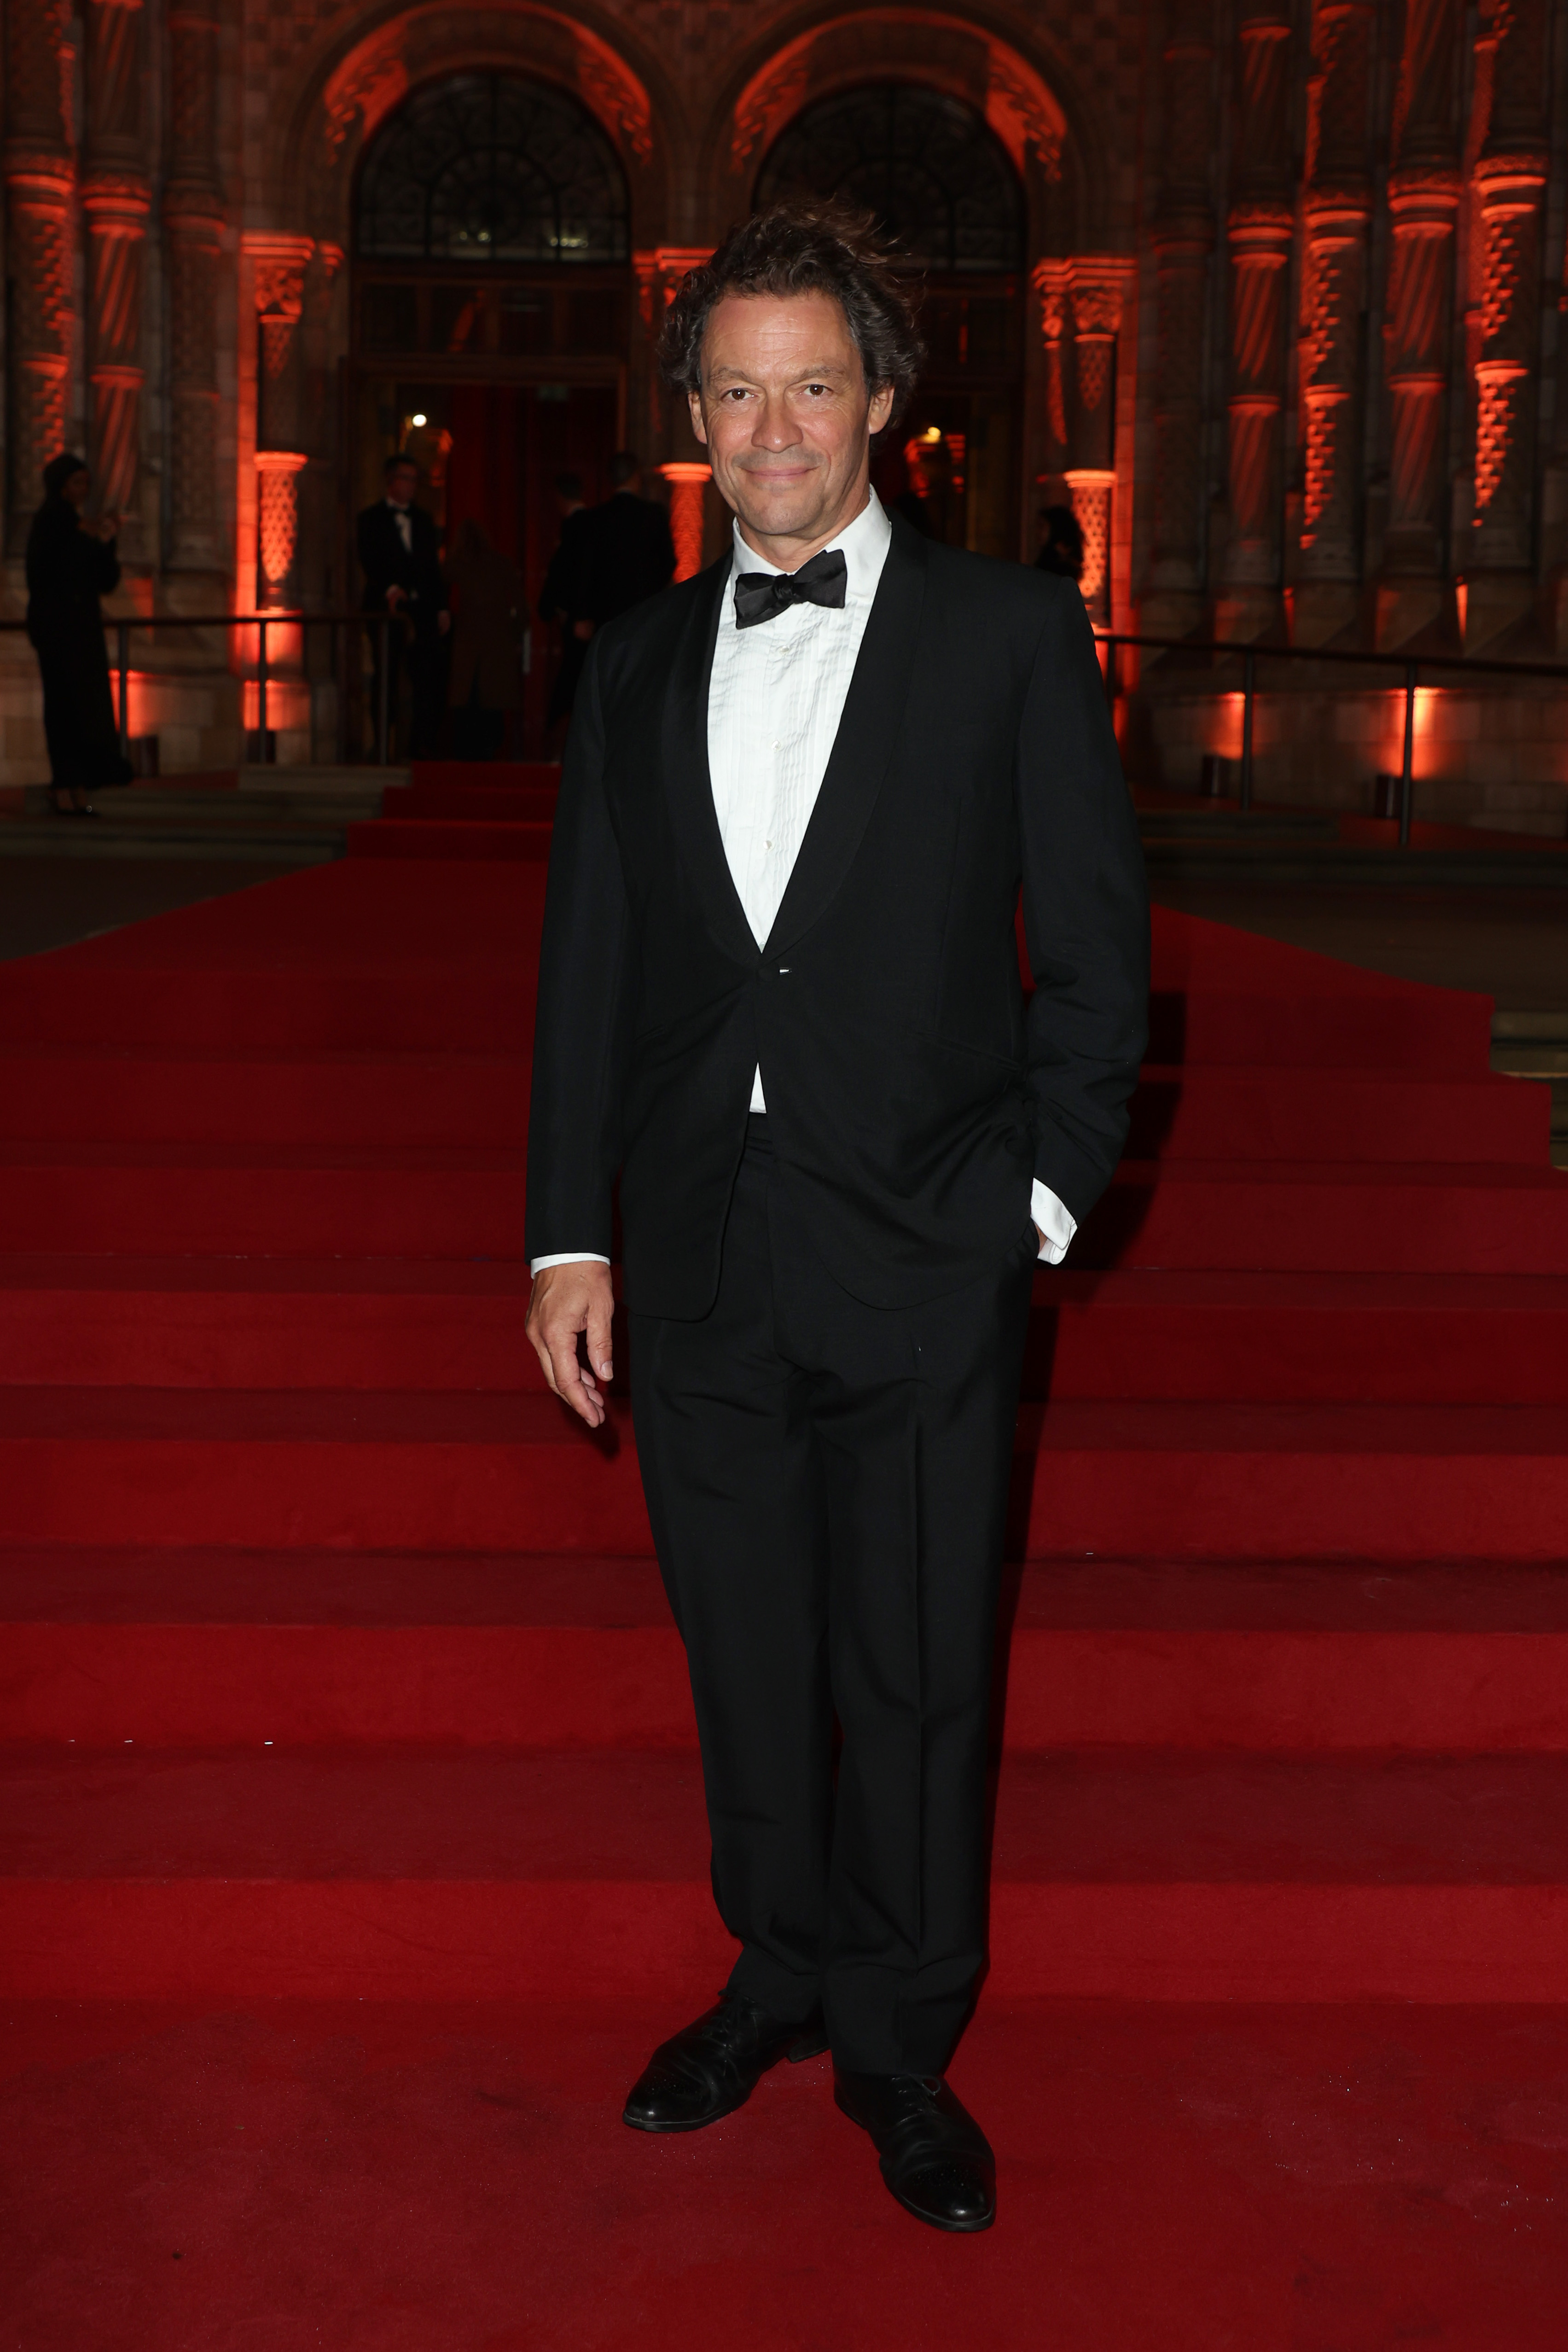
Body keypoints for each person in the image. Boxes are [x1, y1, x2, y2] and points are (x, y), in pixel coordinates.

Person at [524, 204, 1147, 2235]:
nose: (773, 426)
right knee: (747, 1652)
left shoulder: (1008, 633)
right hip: (702, 1248)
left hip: (925, 1243)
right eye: (735, 390)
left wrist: (1031, 1200)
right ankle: (774, 1968)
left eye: (810, 384)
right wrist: (564, 1235)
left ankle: (898, 2035)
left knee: (917, 1664)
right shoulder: (632, 662)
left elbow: (1101, 957)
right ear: (694, 416)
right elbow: (590, 969)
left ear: (880, 397)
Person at [25, 453, 133, 815]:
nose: (83, 490)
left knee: (83, 708)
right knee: (63, 708)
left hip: (81, 632)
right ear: (61, 486)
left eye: (86, 483)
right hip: (59, 632)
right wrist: (87, 539)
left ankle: (78, 786)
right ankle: (63, 788)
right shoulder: (51, 523)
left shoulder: (75, 527)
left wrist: (105, 542)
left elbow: (104, 579)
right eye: (77, 483)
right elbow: (48, 574)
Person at [356, 453, 449, 757]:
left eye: (414, 480)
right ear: (390, 481)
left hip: (422, 609)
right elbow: (370, 560)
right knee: (386, 674)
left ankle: (420, 746)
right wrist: (392, 589)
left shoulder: (423, 521)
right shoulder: (371, 519)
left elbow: (432, 569)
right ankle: (383, 743)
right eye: (405, 479)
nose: (411, 486)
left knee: (427, 677)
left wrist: (442, 607)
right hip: (387, 609)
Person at [446, 518, 525, 760]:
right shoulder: (502, 565)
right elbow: (522, 608)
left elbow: (440, 599)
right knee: (492, 710)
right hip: (497, 649)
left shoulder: (455, 566)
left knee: (466, 713)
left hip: (466, 648)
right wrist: (515, 637)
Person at [571, 451, 676, 630]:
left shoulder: (594, 519)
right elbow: (668, 562)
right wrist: (652, 591)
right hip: (646, 611)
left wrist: (582, 614)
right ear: (636, 477)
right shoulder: (654, 515)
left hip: (605, 612)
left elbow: (584, 568)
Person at [537, 472, 592, 746]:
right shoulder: (591, 523)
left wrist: (575, 612)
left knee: (573, 679)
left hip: (578, 619)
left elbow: (576, 573)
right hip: (583, 616)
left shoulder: (576, 526)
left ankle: (557, 739)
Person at [1035, 501, 1085, 582]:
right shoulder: (1046, 559)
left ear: (1054, 529)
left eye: (1042, 527)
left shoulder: (1066, 565)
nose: (1038, 532)